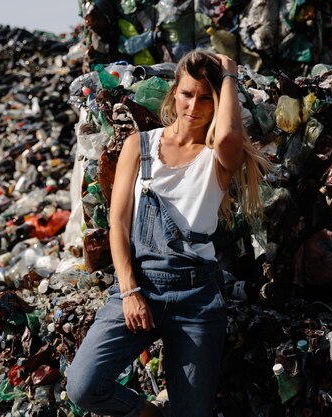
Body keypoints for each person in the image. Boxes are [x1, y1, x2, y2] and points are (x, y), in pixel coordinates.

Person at [66, 49, 271, 417]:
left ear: (218, 100)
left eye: (206, 97)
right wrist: (129, 292)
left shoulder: (218, 156)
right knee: (83, 385)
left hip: (198, 297)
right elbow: (120, 223)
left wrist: (229, 74)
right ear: (173, 93)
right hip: (140, 284)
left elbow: (226, 134)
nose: (194, 105)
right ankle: (147, 413)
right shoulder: (140, 146)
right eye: (187, 94)